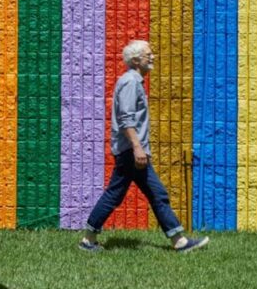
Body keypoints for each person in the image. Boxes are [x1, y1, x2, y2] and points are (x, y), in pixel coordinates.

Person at [80, 40, 209, 253]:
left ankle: (179, 241)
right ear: (136, 59)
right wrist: (138, 148)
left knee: (152, 194)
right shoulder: (130, 82)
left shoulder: (133, 81)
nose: (153, 57)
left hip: (132, 150)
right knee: (121, 194)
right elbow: (126, 118)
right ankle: (88, 240)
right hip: (132, 151)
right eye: (149, 54)